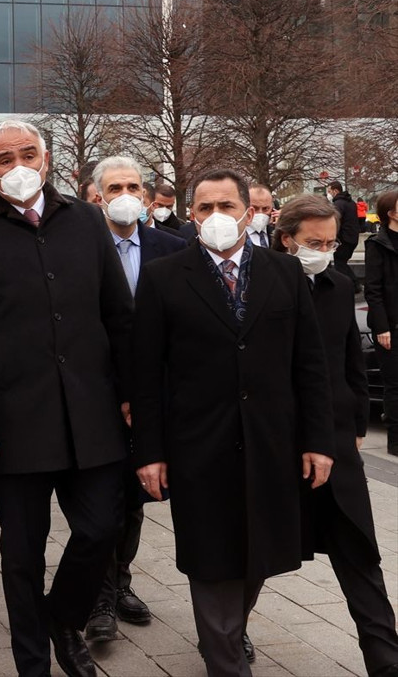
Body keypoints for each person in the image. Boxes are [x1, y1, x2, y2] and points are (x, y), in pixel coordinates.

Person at [0, 119, 133, 677]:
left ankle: (61, 618)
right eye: (5, 158)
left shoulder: (87, 221)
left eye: (28, 153)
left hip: (91, 414)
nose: (19, 165)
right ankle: (33, 665)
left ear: (47, 160)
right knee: (22, 555)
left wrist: (129, 393)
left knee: (100, 529)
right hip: (15, 422)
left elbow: (118, 315)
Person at [132, 168, 335, 677]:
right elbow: (146, 374)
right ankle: (225, 660)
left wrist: (318, 441)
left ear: (250, 211)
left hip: (271, 441)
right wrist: (150, 452)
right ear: (192, 214)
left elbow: (308, 364)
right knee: (210, 554)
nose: (216, 217)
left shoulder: (284, 273)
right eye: (204, 208)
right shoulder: (163, 276)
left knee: (258, 554)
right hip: (198, 443)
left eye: (226, 206)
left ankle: (227, 630)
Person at [275, 195, 398, 677]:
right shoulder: (262, 285)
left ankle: (385, 658)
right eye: (313, 243)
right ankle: (226, 637)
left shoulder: (339, 283)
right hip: (278, 442)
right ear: (287, 239)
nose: (322, 251)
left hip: (334, 440)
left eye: (329, 243)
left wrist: (351, 428)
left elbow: (350, 361)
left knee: (359, 551)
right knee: (260, 552)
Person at [83, 157, 186, 644]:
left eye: (133, 185)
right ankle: (99, 596)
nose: (125, 193)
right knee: (102, 499)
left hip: (150, 395)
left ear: (146, 193)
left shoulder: (172, 247)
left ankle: (120, 582)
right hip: (98, 392)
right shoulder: (82, 248)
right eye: (114, 186)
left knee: (136, 495)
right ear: (96, 195)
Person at [364, 189, 398, 457]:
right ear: (392, 213)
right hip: (391, 327)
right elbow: (373, 289)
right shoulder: (377, 244)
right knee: (394, 384)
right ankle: (395, 440)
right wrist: (382, 327)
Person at [328, 180, 361, 290]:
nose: (329, 194)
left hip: (344, 239)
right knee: (342, 262)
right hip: (352, 238)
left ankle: (351, 286)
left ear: (335, 191)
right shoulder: (351, 202)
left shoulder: (338, 204)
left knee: (340, 263)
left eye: (329, 191)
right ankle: (355, 284)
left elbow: (334, 221)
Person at [247, 183, 275, 248]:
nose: (260, 213)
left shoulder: (276, 233)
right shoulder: (236, 235)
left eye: (266, 209)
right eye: (254, 208)